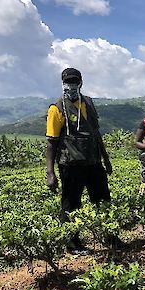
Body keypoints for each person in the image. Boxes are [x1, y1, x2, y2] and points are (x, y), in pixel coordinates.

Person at [46, 67, 112, 254]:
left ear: (81, 83)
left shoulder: (88, 103)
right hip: (70, 165)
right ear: (62, 84)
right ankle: (72, 244)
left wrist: (106, 160)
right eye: (68, 82)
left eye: (74, 82)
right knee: (71, 203)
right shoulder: (56, 108)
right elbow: (51, 143)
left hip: (93, 162)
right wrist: (50, 173)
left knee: (103, 200)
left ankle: (110, 237)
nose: (71, 86)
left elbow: (96, 133)